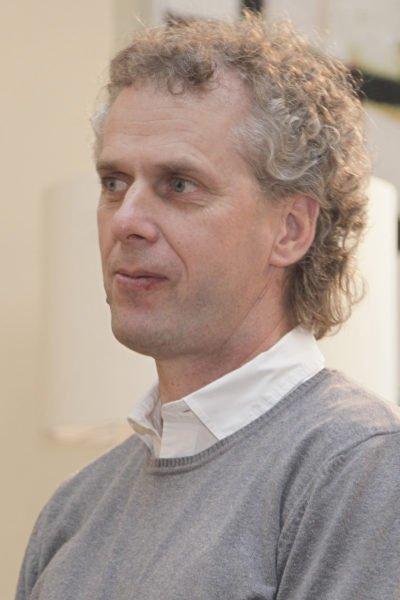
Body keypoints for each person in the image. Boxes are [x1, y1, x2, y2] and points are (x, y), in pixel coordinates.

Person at [16, 12, 400, 600]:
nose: (125, 220)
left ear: (291, 230)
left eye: (178, 185)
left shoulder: (361, 468)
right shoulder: (73, 511)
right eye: (114, 183)